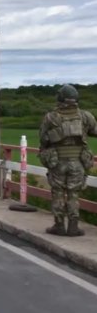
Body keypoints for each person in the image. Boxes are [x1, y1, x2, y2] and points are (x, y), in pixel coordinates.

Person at [38, 84, 97, 237]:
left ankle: (59, 226)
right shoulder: (85, 116)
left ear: (60, 98)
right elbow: (95, 132)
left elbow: (43, 139)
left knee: (57, 193)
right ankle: (73, 227)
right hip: (78, 162)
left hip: (57, 162)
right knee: (73, 194)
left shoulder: (50, 117)